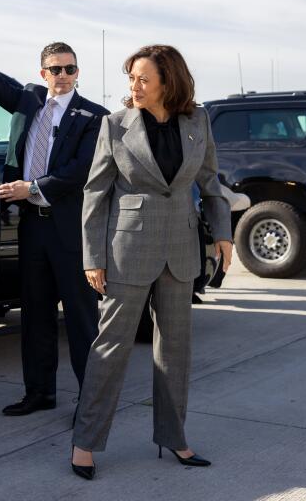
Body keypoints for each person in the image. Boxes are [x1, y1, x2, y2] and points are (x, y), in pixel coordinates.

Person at [0, 17, 109, 416]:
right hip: (32, 228)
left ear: (77, 72)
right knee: (36, 313)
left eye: (70, 68)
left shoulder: (94, 116)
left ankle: (92, 402)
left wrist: (32, 188)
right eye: (55, 69)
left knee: (81, 320)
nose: (63, 76)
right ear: (42, 72)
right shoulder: (28, 98)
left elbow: (81, 170)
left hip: (71, 229)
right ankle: (40, 393)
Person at [70, 45, 233, 479]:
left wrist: (222, 233)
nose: (134, 87)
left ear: (168, 81)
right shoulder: (115, 125)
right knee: (110, 348)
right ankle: (84, 442)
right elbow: (95, 194)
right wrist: (93, 256)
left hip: (180, 249)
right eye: (131, 79)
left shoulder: (197, 122)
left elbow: (210, 182)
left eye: (143, 79)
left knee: (174, 351)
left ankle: (173, 438)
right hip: (126, 252)